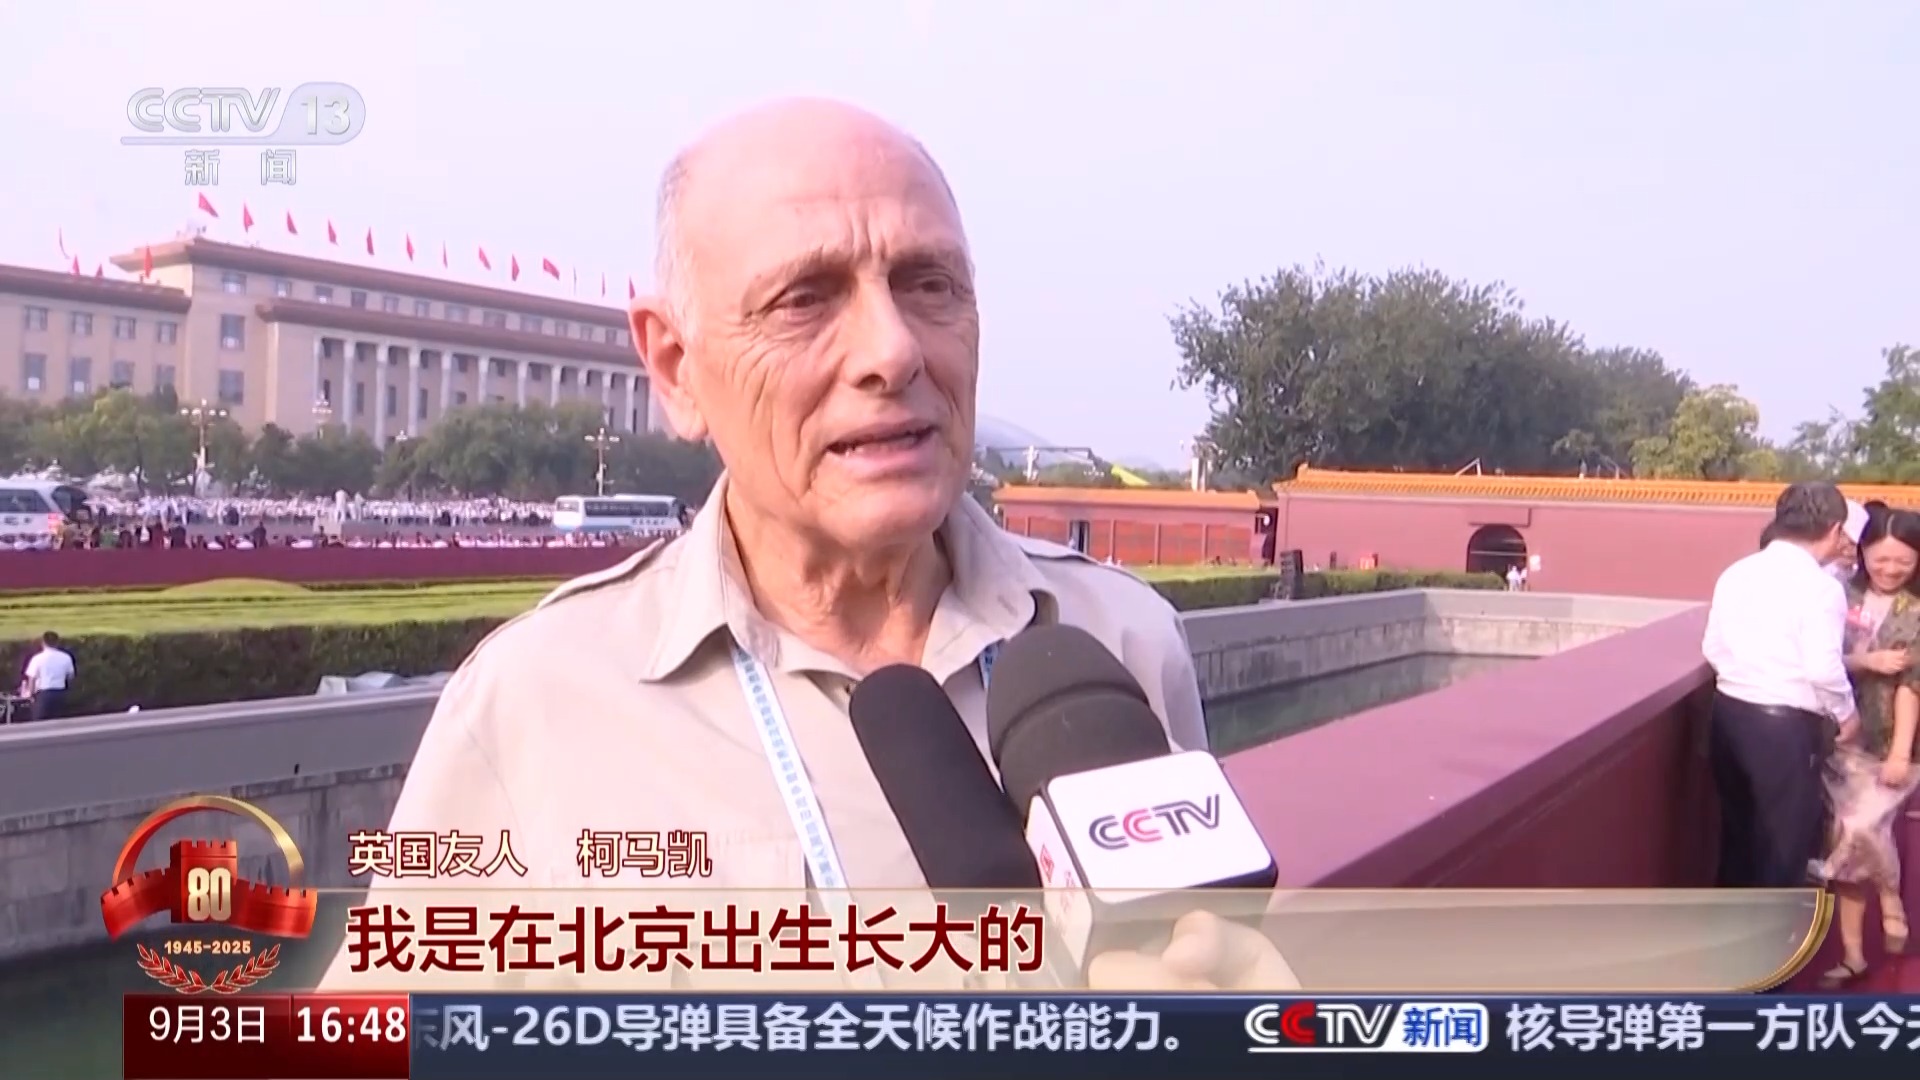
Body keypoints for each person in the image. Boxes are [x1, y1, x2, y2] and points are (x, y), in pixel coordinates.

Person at [322, 99, 1283, 991]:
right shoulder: (538, 699)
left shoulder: (1118, 637)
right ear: (677, 368)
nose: (892, 350)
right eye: (803, 300)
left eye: (929, 285)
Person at [1702, 481, 1864, 888]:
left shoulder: (1737, 572)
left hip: (1728, 713)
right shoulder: (1822, 588)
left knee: (1737, 840)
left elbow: (1713, 647)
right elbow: (1823, 669)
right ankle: (1772, 929)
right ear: (1835, 530)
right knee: (1781, 848)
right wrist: (1847, 714)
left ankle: (1730, 925)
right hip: (1784, 729)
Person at [1815, 506, 1920, 986]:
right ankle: (1854, 953)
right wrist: (1866, 661)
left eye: (1904, 561)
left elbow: (1912, 686)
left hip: (1893, 743)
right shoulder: (1840, 596)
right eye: (1881, 559)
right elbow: (1821, 659)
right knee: (1848, 839)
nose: (1891, 569)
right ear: (1862, 553)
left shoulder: (1916, 610)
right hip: (1840, 737)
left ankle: (1891, 896)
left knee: (1858, 829)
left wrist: (1900, 752)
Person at [21, 631, 75, 721]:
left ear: (43, 643)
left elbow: (32, 678)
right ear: (57, 642)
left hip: (43, 694)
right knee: (59, 720)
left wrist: (30, 694)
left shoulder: (37, 658)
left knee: (40, 721)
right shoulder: (66, 657)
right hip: (60, 692)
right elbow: (70, 676)